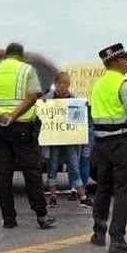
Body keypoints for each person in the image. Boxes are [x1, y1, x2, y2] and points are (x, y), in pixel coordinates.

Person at [0, 42, 54, 230]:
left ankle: (8, 219)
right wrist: (13, 115)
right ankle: (41, 215)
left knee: (4, 173)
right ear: (20, 55)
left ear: (6, 55)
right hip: (22, 127)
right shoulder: (27, 70)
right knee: (32, 171)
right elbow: (33, 96)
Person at [88, 43, 127, 253]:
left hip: (101, 145)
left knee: (103, 188)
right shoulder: (125, 84)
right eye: (125, 58)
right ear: (114, 61)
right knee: (122, 190)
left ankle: (98, 233)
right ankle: (117, 239)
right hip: (121, 144)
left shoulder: (98, 84)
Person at [43, 71, 91, 208]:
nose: (62, 86)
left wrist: (83, 108)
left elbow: (79, 120)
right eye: (59, 83)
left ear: (69, 85)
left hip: (69, 139)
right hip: (54, 139)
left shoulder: (74, 99)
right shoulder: (48, 98)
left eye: (65, 83)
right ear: (55, 83)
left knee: (74, 166)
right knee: (52, 167)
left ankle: (83, 196)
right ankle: (53, 196)